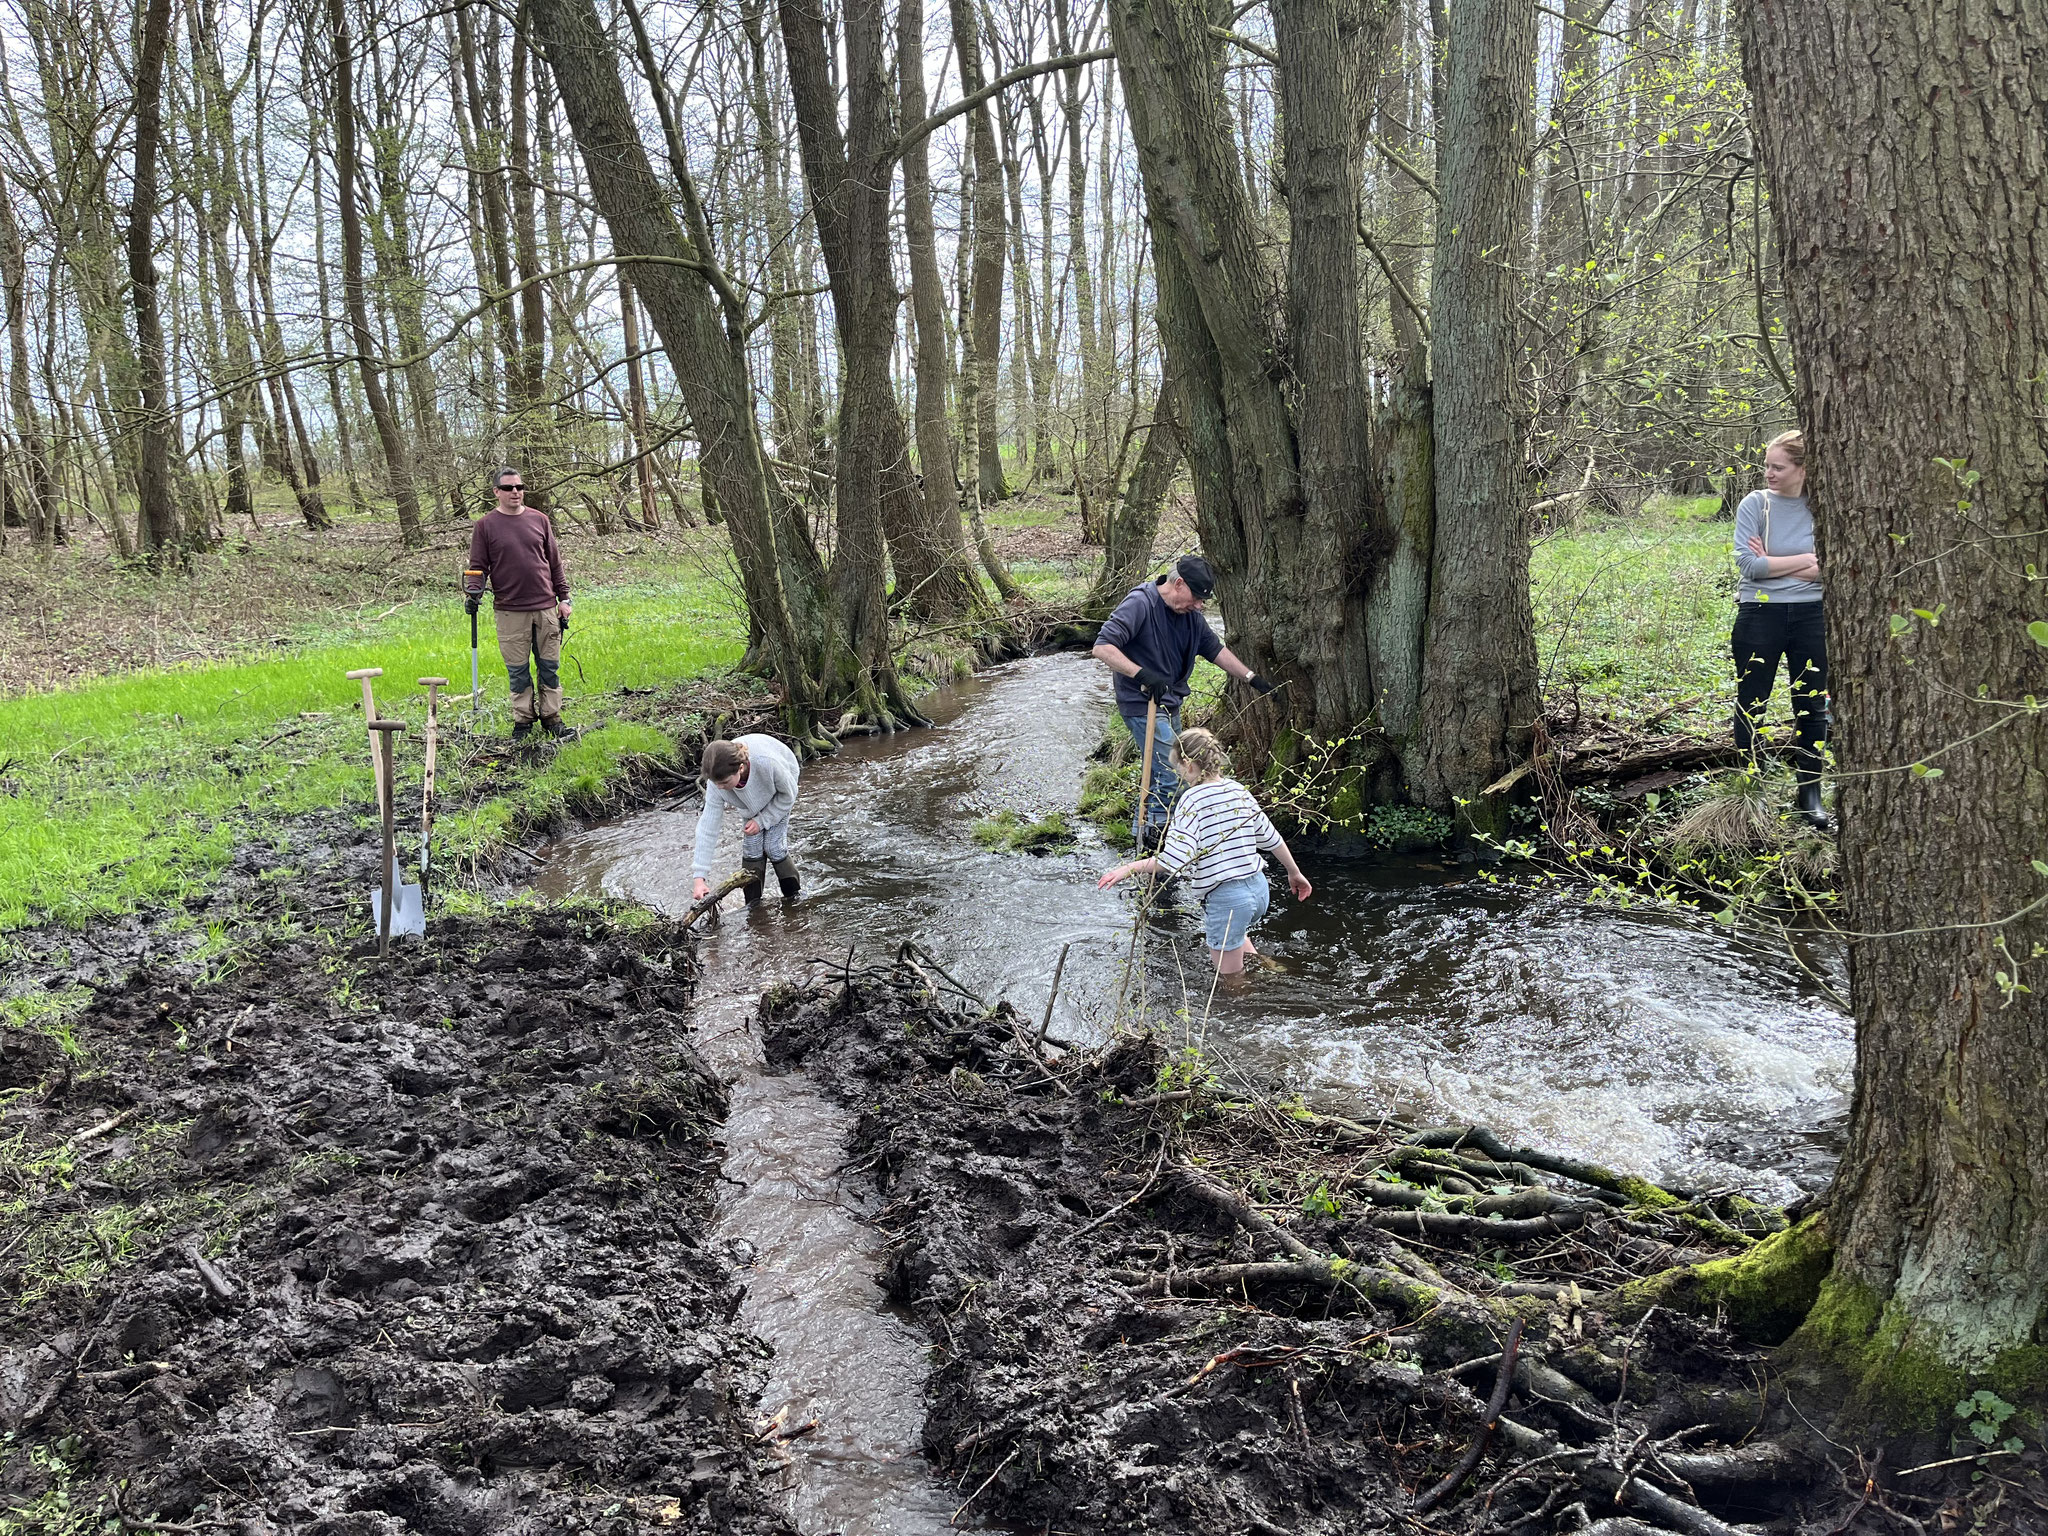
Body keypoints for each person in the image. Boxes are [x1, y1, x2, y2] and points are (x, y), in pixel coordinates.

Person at [1092, 554, 1275, 849]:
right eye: (1197, 597)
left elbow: (1214, 650)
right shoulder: (1141, 604)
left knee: (1164, 767)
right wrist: (1141, 674)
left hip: (1170, 701)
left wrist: (1252, 678)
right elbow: (1102, 647)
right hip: (1142, 703)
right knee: (1173, 773)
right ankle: (1160, 838)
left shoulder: (1190, 616)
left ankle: (1146, 828)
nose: (1200, 605)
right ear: (1179, 584)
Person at [1097, 728, 1311, 974]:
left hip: (1228, 900)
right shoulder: (1238, 791)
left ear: (1188, 765)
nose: (1179, 773)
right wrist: (1294, 873)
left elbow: (1173, 861)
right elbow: (1272, 839)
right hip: (1259, 890)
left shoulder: (1192, 800)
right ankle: (1269, 967)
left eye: (1177, 767)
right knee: (1237, 933)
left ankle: (1247, 1004)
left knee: (1231, 979)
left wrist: (1127, 868)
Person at [1732, 430, 1830, 829]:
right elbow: (1750, 566)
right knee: (1752, 700)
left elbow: (1833, 567)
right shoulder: (1755, 504)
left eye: (1778, 467)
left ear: (1802, 469)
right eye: (1766, 465)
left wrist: (1776, 560)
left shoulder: (1822, 507)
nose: (1768, 473)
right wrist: (1808, 559)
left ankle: (1810, 795)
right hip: (1760, 613)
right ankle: (1749, 790)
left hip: (1812, 616)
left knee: (1811, 704)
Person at [466, 466, 574, 740]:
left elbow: (554, 563)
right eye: (508, 488)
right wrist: (473, 595)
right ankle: (523, 722)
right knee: (518, 670)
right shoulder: (485, 526)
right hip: (509, 610)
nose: (515, 492)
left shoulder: (540, 520)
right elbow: (477, 568)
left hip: (546, 607)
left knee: (549, 666)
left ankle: (552, 718)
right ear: (496, 492)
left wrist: (564, 598)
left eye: (519, 487)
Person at [691, 736, 803, 904]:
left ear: (741, 768)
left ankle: (794, 899)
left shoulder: (767, 763)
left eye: (725, 782)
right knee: (752, 848)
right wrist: (699, 877)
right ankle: (753, 906)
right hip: (750, 801)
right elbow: (708, 828)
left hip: (782, 787)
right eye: (716, 783)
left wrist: (762, 821)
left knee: (773, 846)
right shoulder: (717, 782)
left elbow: (788, 795)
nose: (719, 788)